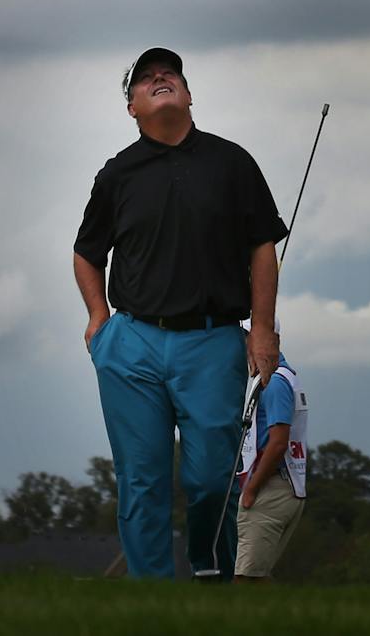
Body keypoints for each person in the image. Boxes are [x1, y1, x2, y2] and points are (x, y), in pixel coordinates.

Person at [73, 47, 288, 580]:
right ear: (132, 108)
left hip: (213, 343)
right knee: (141, 480)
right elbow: (86, 252)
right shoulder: (116, 175)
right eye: (146, 79)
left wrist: (263, 329)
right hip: (133, 344)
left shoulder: (232, 162)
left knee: (211, 478)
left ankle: (206, 568)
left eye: (169, 73)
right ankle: (151, 595)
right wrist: (100, 321)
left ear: (189, 95)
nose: (160, 78)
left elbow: (264, 247)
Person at [234, 321, 308, 583]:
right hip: (282, 487)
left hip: (270, 489)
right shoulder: (280, 376)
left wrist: (251, 489)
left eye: (243, 335)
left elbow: (278, 443)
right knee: (258, 577)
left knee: (245, 580)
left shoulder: (274, 382)